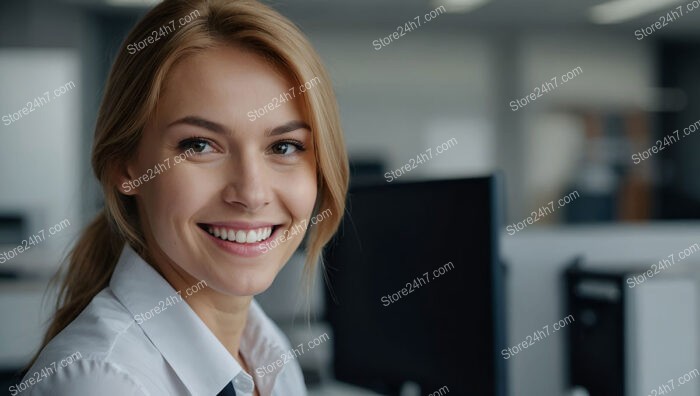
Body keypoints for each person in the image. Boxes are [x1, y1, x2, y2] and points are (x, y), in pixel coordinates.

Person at [20, 0, 348, 394]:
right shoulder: (102, 381)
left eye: (283, 147)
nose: (251, 193)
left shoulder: (268, 355)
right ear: (126, 167)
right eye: (199, 145)